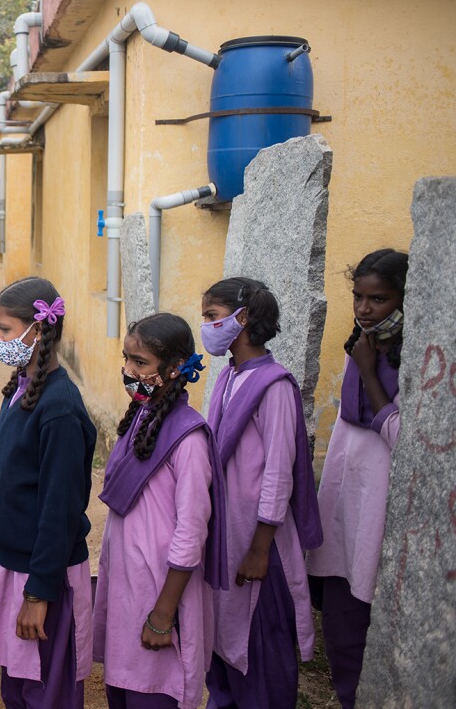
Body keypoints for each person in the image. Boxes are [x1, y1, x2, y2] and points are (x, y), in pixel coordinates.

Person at [199, 278, 322, 709]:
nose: (207, 327)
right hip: (227, 536)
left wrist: (259, 546)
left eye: (212, 317)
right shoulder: (229, 377)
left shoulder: (275, 386)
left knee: (260, 646)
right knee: (223, 643)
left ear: (243, 318)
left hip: (257, 545)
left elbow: (277, 473)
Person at [94, 313, 228, 709]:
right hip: (127, 588)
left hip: (159, 592)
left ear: (173, 370)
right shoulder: (141, 418)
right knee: (123, 684)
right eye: (126, 359)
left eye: (140, 363)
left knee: (152, 689)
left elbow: (191, 532)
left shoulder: (188, 439)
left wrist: (163, 614)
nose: (128, 370)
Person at [0, 277, 97, 708]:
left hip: (46, 574)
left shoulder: (59, 407)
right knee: (19, 686)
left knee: (48, 689)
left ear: (38, 330)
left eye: (5, 330)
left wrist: (39, 595)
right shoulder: (22, 389)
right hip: (16, 563)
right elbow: (10, 479)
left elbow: (59, 509)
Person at [306, 249, 408, 708]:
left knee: (372, 610)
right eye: (358, 297)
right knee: (341, 619)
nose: (365, 309)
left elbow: (406, 440)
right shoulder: (361, 345)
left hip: (382, 507)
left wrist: (370, 374)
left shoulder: (411, 360)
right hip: (346, 502)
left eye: (379, 299)